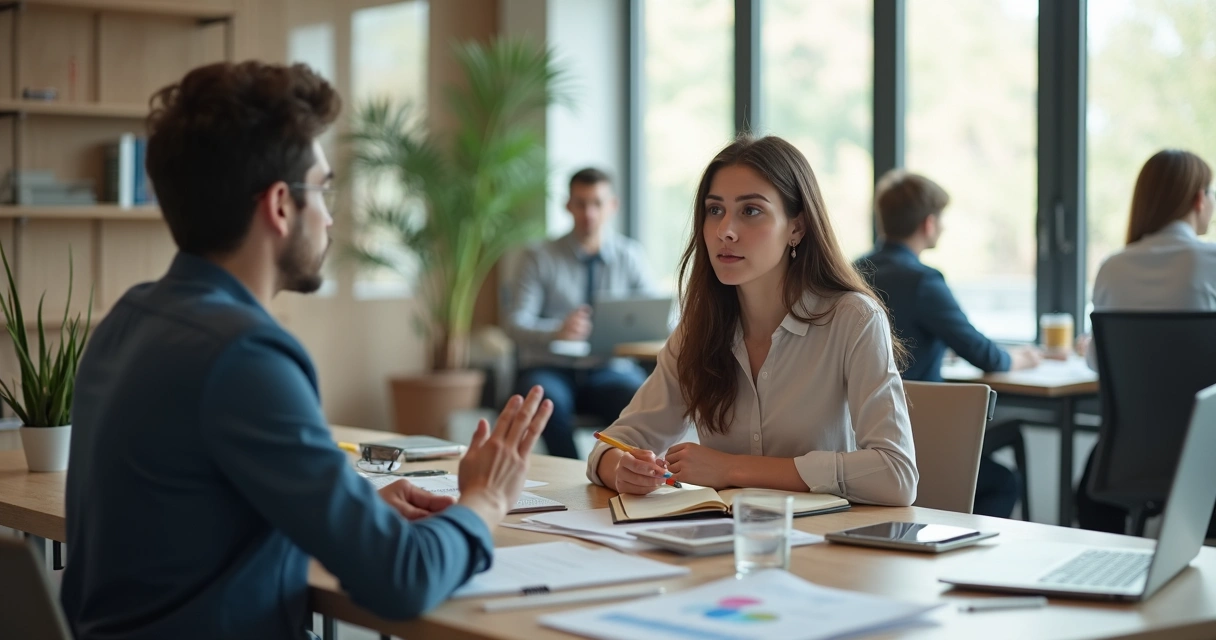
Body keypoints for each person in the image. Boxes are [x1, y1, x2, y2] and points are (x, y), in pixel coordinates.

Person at [61, 61, 553, 640]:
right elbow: (401, 577)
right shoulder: (244, 353)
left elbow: (190, 518)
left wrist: (358, 514)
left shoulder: (127, 319)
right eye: (322, 190)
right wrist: (486, 501)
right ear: (279, 205)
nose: (329, 214)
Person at [586, 135, 918, 506]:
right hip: (722, 543)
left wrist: (731, 469)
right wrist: (621, 469)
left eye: (751, 211)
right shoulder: (699, 328)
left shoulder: (853, 319)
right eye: (715, 210)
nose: (725, 230)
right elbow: (613, 442)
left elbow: (896, 475)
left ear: (797, 227)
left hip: (823, 545)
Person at [854, 169, 1040, 519]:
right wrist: (1023, 359)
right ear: (928, 224)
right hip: (914, 436)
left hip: (857, 438)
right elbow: (984, 355)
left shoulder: (852, 272)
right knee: (1003, 482)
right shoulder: (923, 281)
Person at [1077, 149, 1216, 534]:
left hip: (1128, 461)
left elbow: (1096, 363)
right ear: (1198, 198)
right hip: (1207, 455)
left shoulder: (1113, 266)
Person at [505, 168, 655, 459]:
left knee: (640, 397)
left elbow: (655, 315)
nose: (589, 213)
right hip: (551, 367)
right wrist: (557, 331)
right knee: (545, 399)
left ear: (612, 206)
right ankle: (575, 471)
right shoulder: (538, 256)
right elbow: (515, 324)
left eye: (597, 203)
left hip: (609, 368)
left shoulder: (630, 256)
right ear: (567, 205)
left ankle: (621, 468)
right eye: (581, 203)